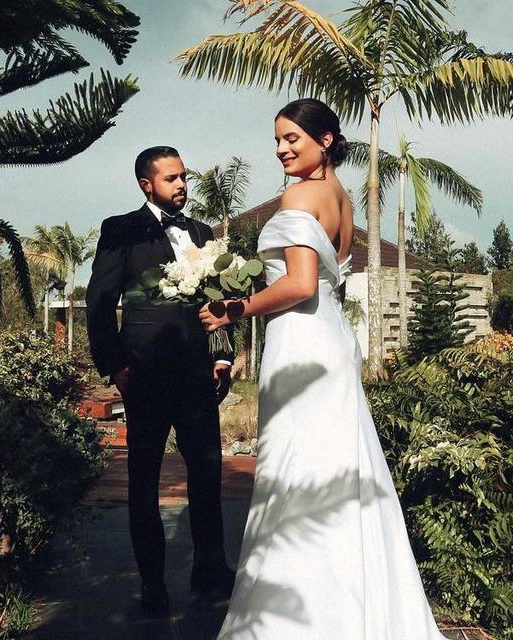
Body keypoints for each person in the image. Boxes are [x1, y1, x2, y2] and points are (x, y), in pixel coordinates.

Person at [200, 99, 448, 639]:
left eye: (292, 138)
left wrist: (233, 309)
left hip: (302, 341)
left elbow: (301, 284)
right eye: (278, 140)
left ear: (326, 140)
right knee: (339, 467)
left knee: (297, 468)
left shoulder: (300, 194)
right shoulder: (343, 200)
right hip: (330, 340)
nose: (282, 149)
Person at [86, 146, 235, 616]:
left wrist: (223, 357)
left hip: (196, 376)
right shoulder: (120, 230)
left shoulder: (202, 233)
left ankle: (210, 573)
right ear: (146, 185)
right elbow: (99, 302)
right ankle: (153, 585)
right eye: (171, 178)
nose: (182, 185)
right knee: (143, 483)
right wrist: (117, 368)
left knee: (208, 475)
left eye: (184, 176)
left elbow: (218, 303)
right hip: (145, 376)